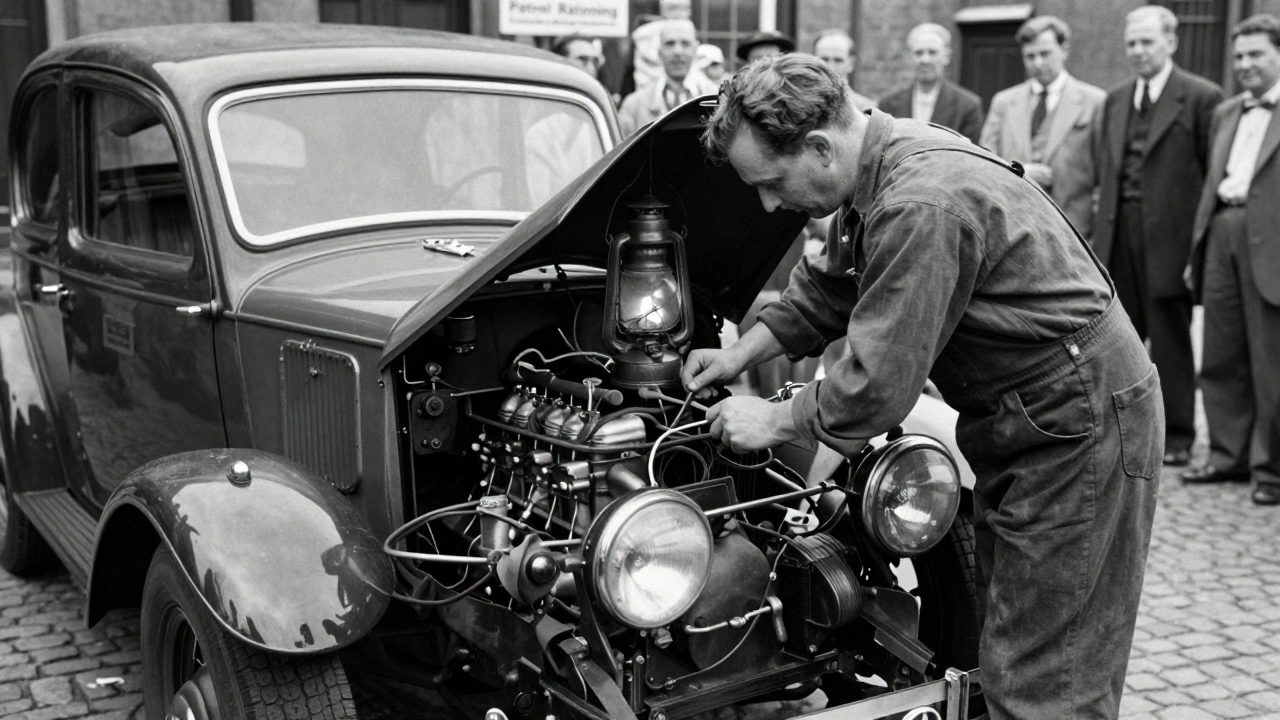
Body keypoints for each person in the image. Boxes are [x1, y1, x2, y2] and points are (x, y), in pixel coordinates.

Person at [688, 54, 1161, 719]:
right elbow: (831, 289)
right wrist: (741, 353)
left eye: (770, 181)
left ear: (820, 147)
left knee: (1052, 676)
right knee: (1015, 639)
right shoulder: (879, 163)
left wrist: (773, 421)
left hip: (1075, 419)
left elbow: (876, 388)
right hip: (1036, 414)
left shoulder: (920, 200)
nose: (768, 203)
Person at [1093, 5, 1223, 468]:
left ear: (1171, 41)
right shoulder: (1114, 100)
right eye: (1131, 43)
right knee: (1116, 337)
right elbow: (1103, 172)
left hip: (1170, 235)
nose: (1138, 51)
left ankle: (1181, 435)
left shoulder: (1202, 98)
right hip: (1118, 231)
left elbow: (1211, 176)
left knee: (1170, 336)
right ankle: (1122, 431)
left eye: (1147, 42)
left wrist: (1196, 246)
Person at [1181, 14, 1280, 506]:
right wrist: (1197, 247)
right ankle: (1226, 455)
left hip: (1272, 243)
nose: (1244, 64)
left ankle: (1271, 469)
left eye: (1256, 54)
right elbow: (1208, 185)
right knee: (1219, 353)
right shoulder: (1226, 113)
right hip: (1221, 231)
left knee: (1270, 361)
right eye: (1239, 55)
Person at [980, 16, 1105, 238]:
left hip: (1072, 231)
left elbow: (1104, 177)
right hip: (1013, 227)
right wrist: (1019, 171)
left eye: (1045, 54)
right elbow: (983, 163)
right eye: (1030, 56)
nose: (1037, 63)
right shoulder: (1004, 102)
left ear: (1064, 50)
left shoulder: (1094, 102)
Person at [878, 23, 984, 144]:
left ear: (946, 57)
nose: (925, 60)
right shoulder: (888, 104)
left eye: (932, 52)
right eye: (919, 53)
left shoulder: (967, 106)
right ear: (910, 58)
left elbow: (971, 157)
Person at [617, 19, 718, 137]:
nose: (677, 52)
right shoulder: (634, 106)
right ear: (659, 51)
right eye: (670, 44)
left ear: (695, 49)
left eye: (685, 43)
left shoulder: (718, 100)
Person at [813, 29, 877, 112]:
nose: (831, 67)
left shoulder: (867, 108)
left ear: (851, 64)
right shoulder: (800, 103)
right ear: (813, 61)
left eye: (838, 60)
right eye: (824, 59)